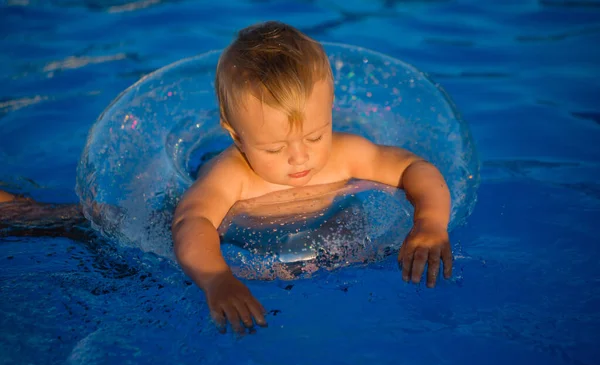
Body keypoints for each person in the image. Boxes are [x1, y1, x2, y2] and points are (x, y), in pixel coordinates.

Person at [171, 21, 453, 334]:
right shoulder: (233, 175)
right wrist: (216, 279)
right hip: (252, 253)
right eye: (275, 149)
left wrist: (430, 222)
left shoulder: (344, 155)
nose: (300, 157)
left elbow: (414, 168)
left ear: (330, 110)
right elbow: (192, 221)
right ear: (237, 137)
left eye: (316, 137)